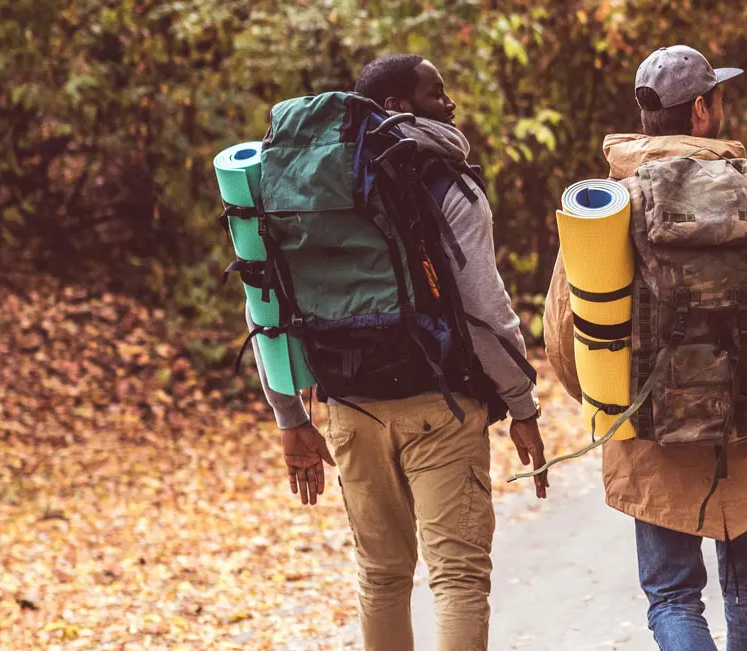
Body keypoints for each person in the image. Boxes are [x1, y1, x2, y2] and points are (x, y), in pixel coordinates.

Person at [253, 54, 548, 651]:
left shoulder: (302, 189)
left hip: (348, 406)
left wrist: (290, 419)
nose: (451, 105)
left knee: (382, 576)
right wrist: (522, 406)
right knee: (458, 578)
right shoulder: (442, 178)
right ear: (397, 106)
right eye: (437, 92)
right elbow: (483, 309)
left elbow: (264, 306)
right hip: (441, 404)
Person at [542, 45, 747, 651]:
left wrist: (617, 394)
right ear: (700, 110)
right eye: (719, 96)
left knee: (672, 598)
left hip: (649, 434)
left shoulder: (606, 207)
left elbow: (565, 341)